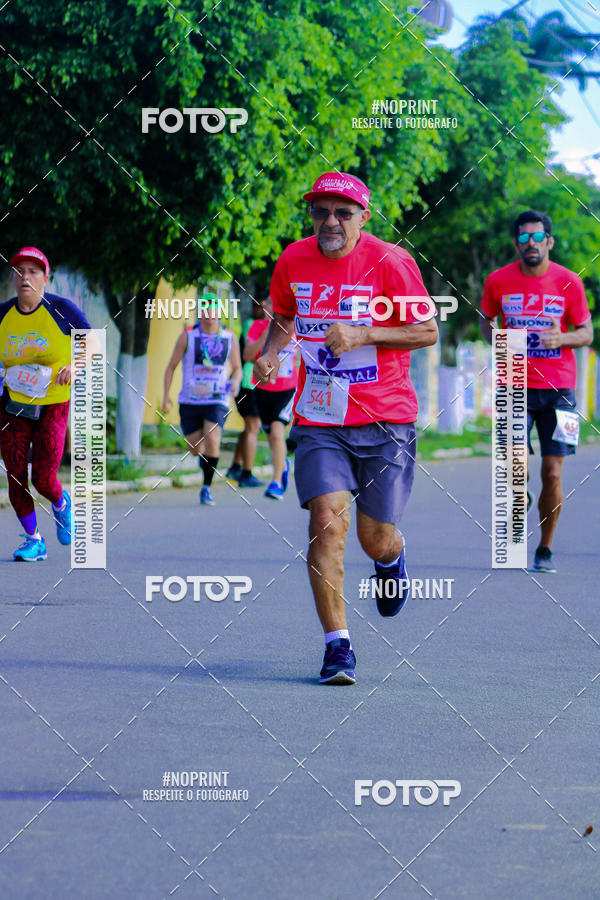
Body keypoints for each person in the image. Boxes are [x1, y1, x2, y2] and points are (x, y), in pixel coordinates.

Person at [254, 172, 438, 684]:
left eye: (342, 213)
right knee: (326, 524)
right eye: (320, 211)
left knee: (373, 538)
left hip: (385, 418)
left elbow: (427, 330)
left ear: (364, 217)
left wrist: (364, 333)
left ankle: (390, 558)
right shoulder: (293, 259)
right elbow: (287, 316)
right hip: (319, 417)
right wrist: (271, 353)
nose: (330, 222)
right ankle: (338, 646)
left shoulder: (391, 261)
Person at [480, 210, 593, 572]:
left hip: (560, 388)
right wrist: (497, 340)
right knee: (515, 466)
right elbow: (487, 319)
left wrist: (562, 337)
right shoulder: (498, 280)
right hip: (513, 381)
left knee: (554, 473)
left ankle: (544, 547)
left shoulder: (569, 282)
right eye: (524, 238)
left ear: (549, 241)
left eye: (537, 237)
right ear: (516, 243)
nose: (531, 244)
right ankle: (520, 497)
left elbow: (586, 333)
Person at [0, 247, 91, 560]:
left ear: (45, 277)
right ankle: (32, 539)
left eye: (33, 271)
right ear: (14, 278)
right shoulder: (3, 315)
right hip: (13, 406)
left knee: (42, 476)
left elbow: (90, 342)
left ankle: (61, 503)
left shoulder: (61, 309)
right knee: (15, 473)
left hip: (53, 403)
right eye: (20, 271)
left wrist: (75, 366)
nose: (26, 277)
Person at [162, 300, 242, 505]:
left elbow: (237, 367)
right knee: (195, 448)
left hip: (217, 399)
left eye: (213, 311)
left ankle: (206, 487)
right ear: (200, 313)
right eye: (204, 311)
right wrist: (166, 396)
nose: (208, 315)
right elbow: (171, 366)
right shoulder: (188, 336)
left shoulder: (229, 337)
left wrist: (235, 382)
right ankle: (204, 459)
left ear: (219, 314)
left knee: (213, 440)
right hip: (190, 400)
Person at [245, 297, 298, 499]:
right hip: (262, 388)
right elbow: (248, 355)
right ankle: (282, 463)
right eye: (267, 305)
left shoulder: (294, 328)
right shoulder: (257, 326)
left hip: (288, 389)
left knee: (277, 432)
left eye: (275, 305)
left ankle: (276, 482)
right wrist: (267, 335)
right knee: (270, 436)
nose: (270, 308)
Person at [226, 301, 265, 488]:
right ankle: (246, 473)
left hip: (253, 384)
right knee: (253, 426)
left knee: (249, 426)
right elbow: (251, 352)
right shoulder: (253, 324)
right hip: (247, 383)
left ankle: (235, 466)